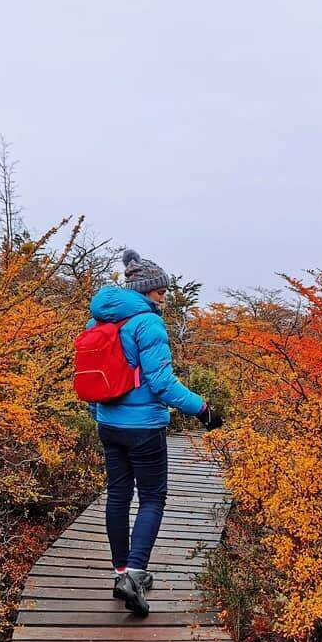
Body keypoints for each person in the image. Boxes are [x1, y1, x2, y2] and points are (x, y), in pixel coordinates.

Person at [86, 249, 222, 616]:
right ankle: (134, 573)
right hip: (143, 427)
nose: (165, 295)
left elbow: (89, 376)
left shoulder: (97, 320)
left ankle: (120, 573)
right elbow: (162, 383)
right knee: (151, 498)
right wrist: (203, 409)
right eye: (161, 290)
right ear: (146, 290)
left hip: (108, 423)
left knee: (118, 497)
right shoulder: (147, 323)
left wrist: (99, 412)